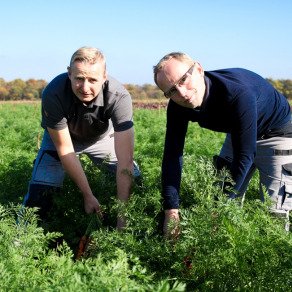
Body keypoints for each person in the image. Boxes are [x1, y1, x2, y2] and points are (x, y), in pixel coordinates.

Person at [153, 52, 292, 236]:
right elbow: (172, 154)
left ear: (199, 69)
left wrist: (219, 208)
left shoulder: (237, 93)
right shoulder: (178, 105)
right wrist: (171, 209)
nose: (182, 93)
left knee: (275, 215)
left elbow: (246, 155)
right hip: (238, 132)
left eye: (183, 80)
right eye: (171, 91)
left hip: (276, 133)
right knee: (218, 195)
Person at [22, 46, 140, 230]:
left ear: (104, 76)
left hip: (101, 139)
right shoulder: (53, 93)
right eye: (79, 78)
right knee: (39, 196)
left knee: (136, 182)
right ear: (69, 74)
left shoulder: (119, 96)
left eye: (93, 80)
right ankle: (22, 242)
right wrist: (87, 195)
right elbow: (65, 150)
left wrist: (122, 217)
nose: (85, 88)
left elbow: (126, 161)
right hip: (62, 139)